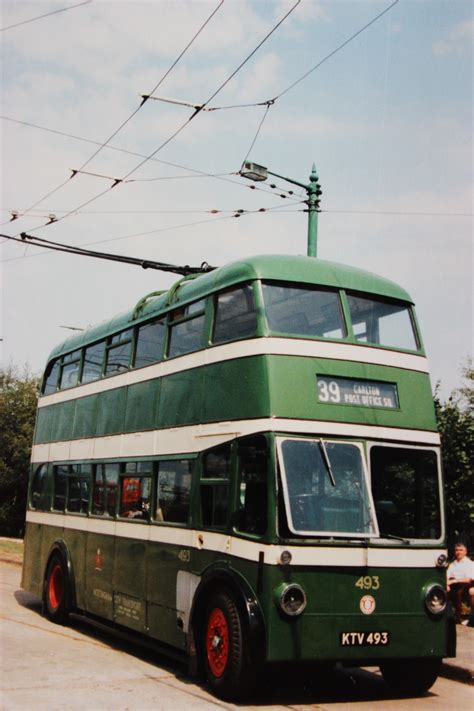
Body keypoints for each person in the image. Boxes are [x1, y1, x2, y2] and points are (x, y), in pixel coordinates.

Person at [447, 543, 474, 625]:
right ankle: (448, 615)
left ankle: (459, 617)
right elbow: (447, 576)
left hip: (465, 584)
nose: (458, 552)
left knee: (458, 592)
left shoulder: (470, 563)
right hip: (453, 583)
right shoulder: (452, 564)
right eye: (457, 550)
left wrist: (454, 581)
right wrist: (447, 584)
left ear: (465, 552)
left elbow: (469, 579)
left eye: (461, 550)